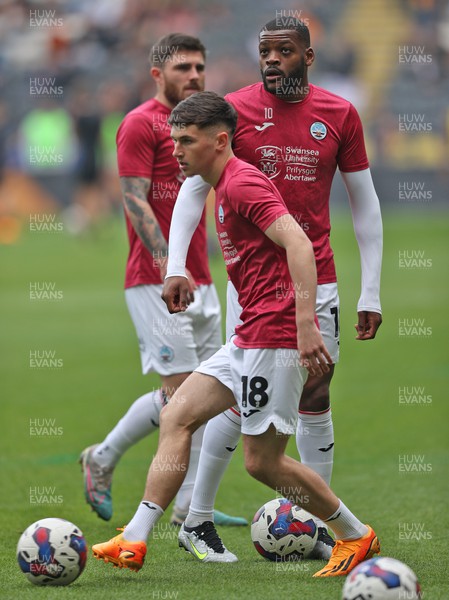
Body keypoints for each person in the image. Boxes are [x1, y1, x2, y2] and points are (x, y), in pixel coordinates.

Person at [91, 91, 380, 578]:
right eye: (173, 140)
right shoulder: (219, 185)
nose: (177, 151)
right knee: (178, 414)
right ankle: (136, 537)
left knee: (262, 462)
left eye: (186, 141)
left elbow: (300, 245)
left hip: (274, 335)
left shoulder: (244, 184)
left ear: (220, 141)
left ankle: (354, 535)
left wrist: (305, 324)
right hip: (248, 334)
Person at [164, 16, 383, 560]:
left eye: (283, 51)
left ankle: (314, 527)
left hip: (319, 280)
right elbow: (193, 187)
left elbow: (366, 204)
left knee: (315, 391)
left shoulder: (338, 114)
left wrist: (371, 291)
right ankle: (199, 516)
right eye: (265, 51)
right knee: (241, 400)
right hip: (257, 286)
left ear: (307, 57)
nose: (271, 60)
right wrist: (176, 263)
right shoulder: (234, 110)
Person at [79, 33, 246, 527]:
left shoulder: (201, 125)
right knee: (182, 396)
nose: (193, 76)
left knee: (210, 394)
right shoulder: (138, 123)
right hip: (156, 282)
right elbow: (134, 200)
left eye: (199, 67)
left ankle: (192, 511)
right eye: (182, 68)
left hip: (202, 277)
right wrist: (167, 267)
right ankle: (104, 457)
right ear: (158, 74)